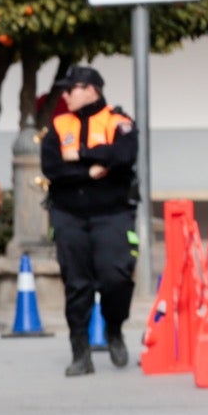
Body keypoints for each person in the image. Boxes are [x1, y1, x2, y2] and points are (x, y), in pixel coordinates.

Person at [41, 65, 138, 376]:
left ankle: (114, 329)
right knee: (76, 284)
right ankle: (80, 352)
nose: (66, 95)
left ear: (92, 90)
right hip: (69, 214)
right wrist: (92, 169)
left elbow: (124, 156)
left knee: (117, 277)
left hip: (112, 213)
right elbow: (53, 168)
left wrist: (81, 154)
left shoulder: (118, 121)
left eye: (72, 89)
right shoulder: (58, 125)